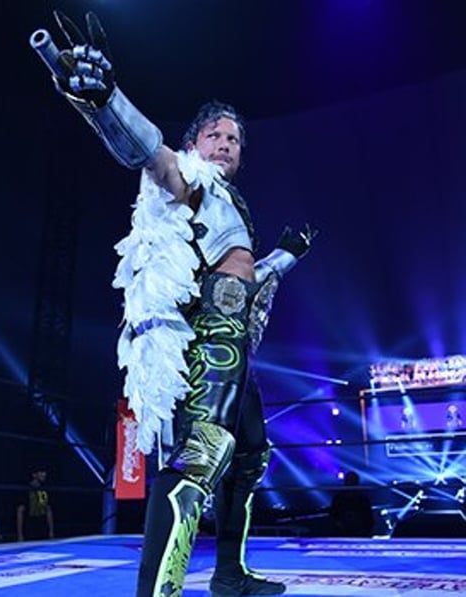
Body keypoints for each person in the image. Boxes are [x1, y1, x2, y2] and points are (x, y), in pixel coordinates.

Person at [37, 12, 316, 597]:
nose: (225, 143)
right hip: (208, 333)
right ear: (196, 143)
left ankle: (231, 575)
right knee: (200, 456)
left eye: (234, 138)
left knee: (248, 457)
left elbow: (244, 279)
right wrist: (106, 99)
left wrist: (286, 258)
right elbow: (151, 155)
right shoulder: (189, 176)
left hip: (235, 337)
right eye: (215, 134)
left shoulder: (228, 202)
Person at [329, 471, 374, 537]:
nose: (350, 483)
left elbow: (369, 519)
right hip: (342, 534)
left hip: (360, 534)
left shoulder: (363, 499)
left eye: (352, 481)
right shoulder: (339, 498)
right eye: (349, 481)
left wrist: (363, 531)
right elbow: (333, 516)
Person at [16, 468, 54, 541]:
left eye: (44, 472)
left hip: (43, 528)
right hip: (30, 529)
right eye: (41, 472)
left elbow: (49, 511)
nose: (44, 474)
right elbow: (20, 512)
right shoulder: (26, 489)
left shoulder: (45, 489)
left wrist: (51, 531)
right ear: (34, 475)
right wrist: (20, 534)